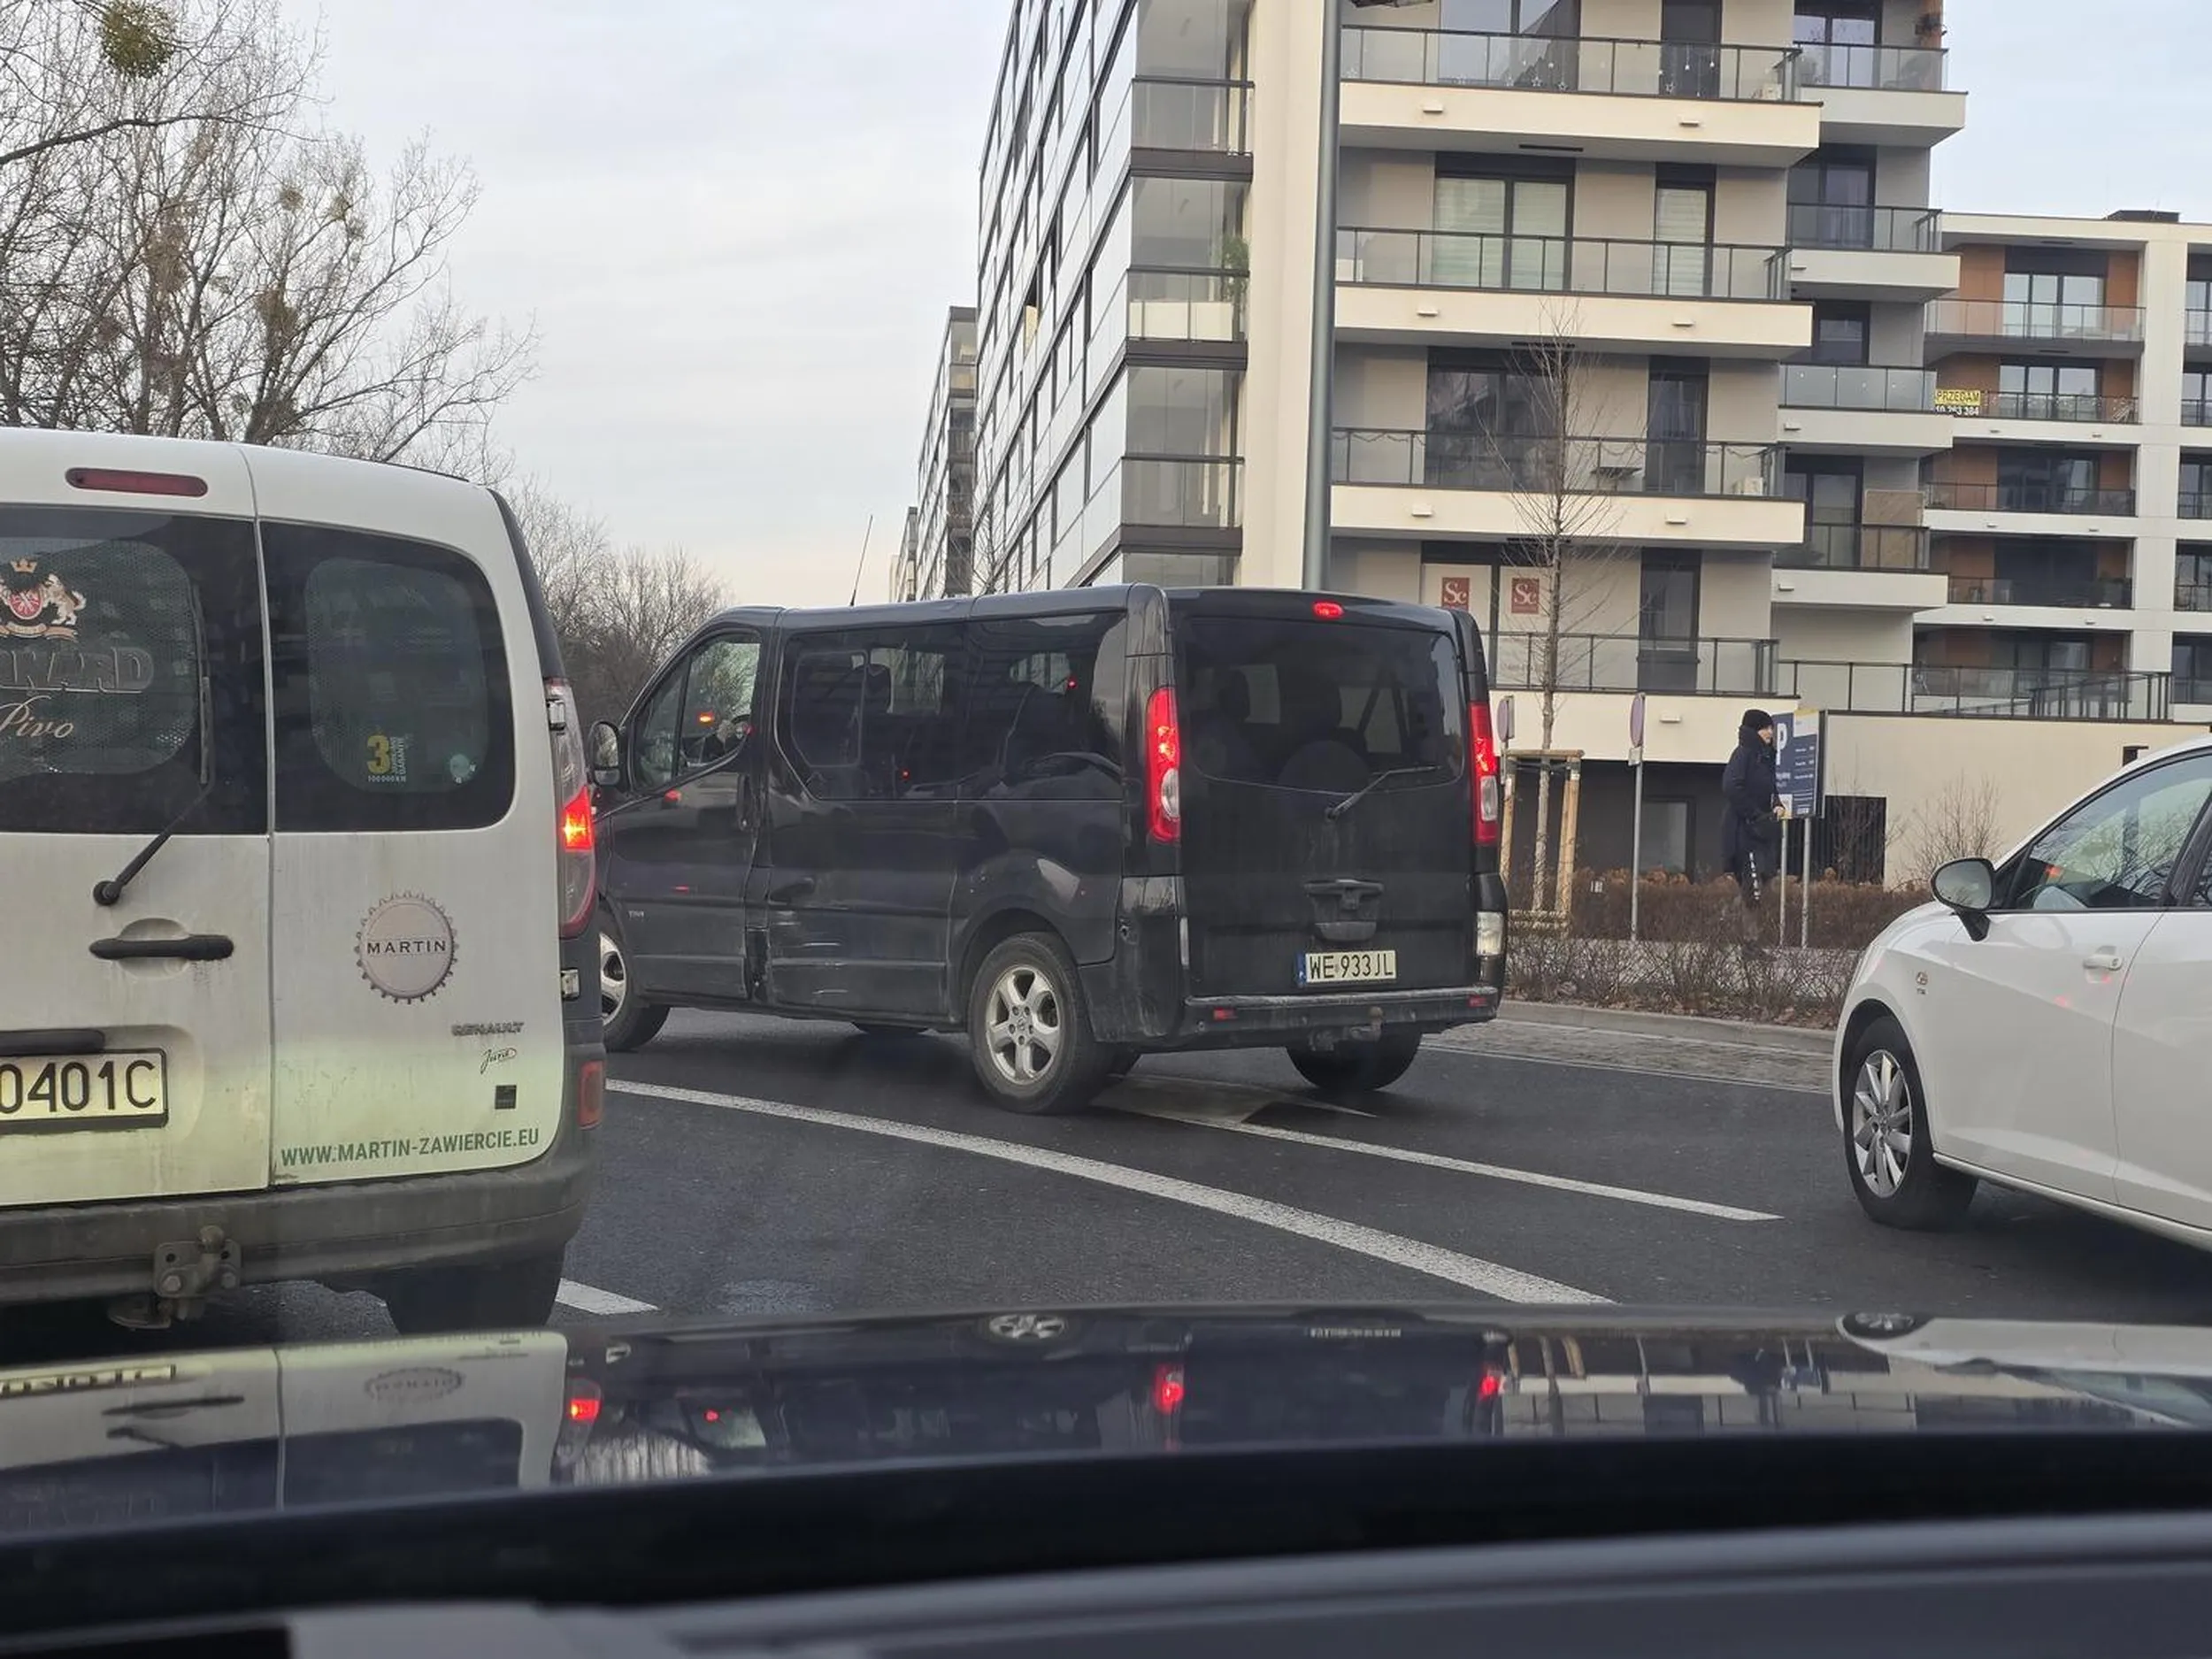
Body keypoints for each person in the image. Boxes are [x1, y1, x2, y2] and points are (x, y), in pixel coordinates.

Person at [1721, 708, 1784, 933]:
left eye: (1771, 728)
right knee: (1753, 888)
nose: (1770, 733)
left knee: (1765, 885)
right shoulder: (1743, 754)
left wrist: (1777, 804)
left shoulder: (1767, 759)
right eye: (1765, 728)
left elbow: (1774, 789)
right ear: (1754, 730)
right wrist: (1755, 814)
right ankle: (1748, 940)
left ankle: (1727, 922)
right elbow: (1731, 786)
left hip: (1763, 833)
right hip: (1745, 834)